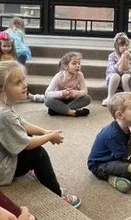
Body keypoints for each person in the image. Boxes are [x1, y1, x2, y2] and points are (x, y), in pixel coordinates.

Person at [0, 61, 81, 208]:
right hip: (2, 169)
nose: (25, 84)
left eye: (24, 79)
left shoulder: (4, 106)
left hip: (4, 154)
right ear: (2, 89)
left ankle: (27, 170)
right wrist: (49, 137)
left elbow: (22, 124)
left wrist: (44, 131)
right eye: (18, 82)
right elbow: (28, 145)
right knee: (38, 154)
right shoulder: (4, 115)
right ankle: (56, 193)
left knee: (31, 144)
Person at [44, 52, 91, 117]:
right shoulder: (59, 76)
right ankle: (72, 112)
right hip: (59, 101)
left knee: (87, 98)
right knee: (48, 100)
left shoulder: (80, 75)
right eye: (74, 63)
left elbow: (85, 91)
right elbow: (47, 93)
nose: (78, 66)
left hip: (72, 101)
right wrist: (62, 93)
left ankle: (59, 110)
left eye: (79, 63)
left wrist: (74, 93)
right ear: (66, 66)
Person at [102, 33, 131, 107]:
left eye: (126, 45)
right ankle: (110, 97)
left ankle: (129, 97)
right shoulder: (112, 56)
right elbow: (112, 69)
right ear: (117, 47)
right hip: (113, 79)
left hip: (126, 79)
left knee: (125, 76)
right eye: (122, 45)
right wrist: (121, 60)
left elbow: (129, 71)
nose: (125, 47)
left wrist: (126, 59)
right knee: (115, 75)